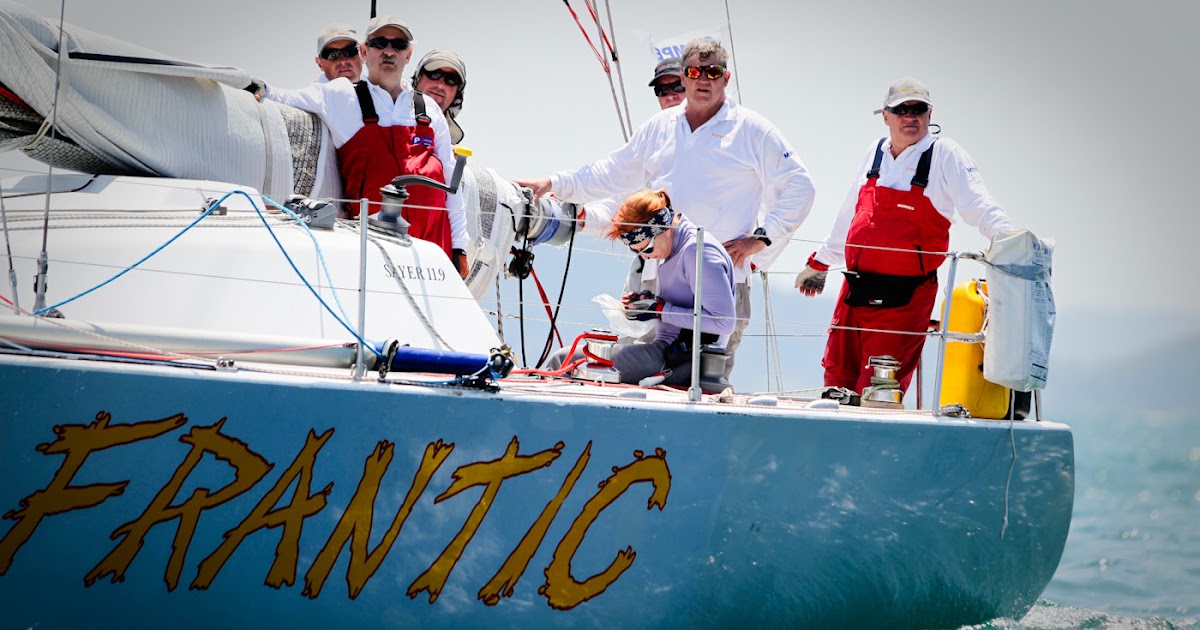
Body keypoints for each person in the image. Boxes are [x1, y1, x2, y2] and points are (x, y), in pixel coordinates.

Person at [516, 39, 815, 380]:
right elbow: (610, 172)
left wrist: (760, 241)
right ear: (684, 77)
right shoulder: (660, 127)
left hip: (721, 280)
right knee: (644, 382)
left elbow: (800, 186)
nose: (704, 79)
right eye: (694, 72)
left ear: (726, 78)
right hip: (661, 278)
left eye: (713, 71)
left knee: (704, 382)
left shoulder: (752, 129)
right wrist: (552, 183)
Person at [794, 77, 1016, 399]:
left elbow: (980, 205)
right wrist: (819, 263)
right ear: (885, 116)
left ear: (930, 113)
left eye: (918, 109)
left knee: (878, 390)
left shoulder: (945, 155)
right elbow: (851, 216)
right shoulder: (875, 153)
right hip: (854, 290)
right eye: (901, 109)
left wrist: (1012, 242)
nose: (910, 117)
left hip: (905, 299)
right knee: (835, 379)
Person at [262, 15, 468, 272]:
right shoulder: (341, 96)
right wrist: (256, 87)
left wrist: (459, 247)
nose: (389, 51)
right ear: (364, 51)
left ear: (409, 54)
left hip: (435, 254)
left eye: (399, 45)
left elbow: (452, 183)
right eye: (380, 43)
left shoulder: (427, 108)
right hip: (375, 254)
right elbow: (279, 96)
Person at [550, 189, 735, 387]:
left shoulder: (696, 251)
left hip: (683, 360)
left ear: (662, 228)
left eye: (646, 249)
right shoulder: (675, 246)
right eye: (638, 253)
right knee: (572, 358)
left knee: (566, 360)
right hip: (667, 351)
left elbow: (724, 322)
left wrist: (660, 310)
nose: (646, 257)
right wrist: (646, 304)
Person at [410, 49, 466, 144]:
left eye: (451, 79)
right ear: (418, 78)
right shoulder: (386, 118)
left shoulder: (456, 156)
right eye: (434, 74)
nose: (440, 85)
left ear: (458, 93)